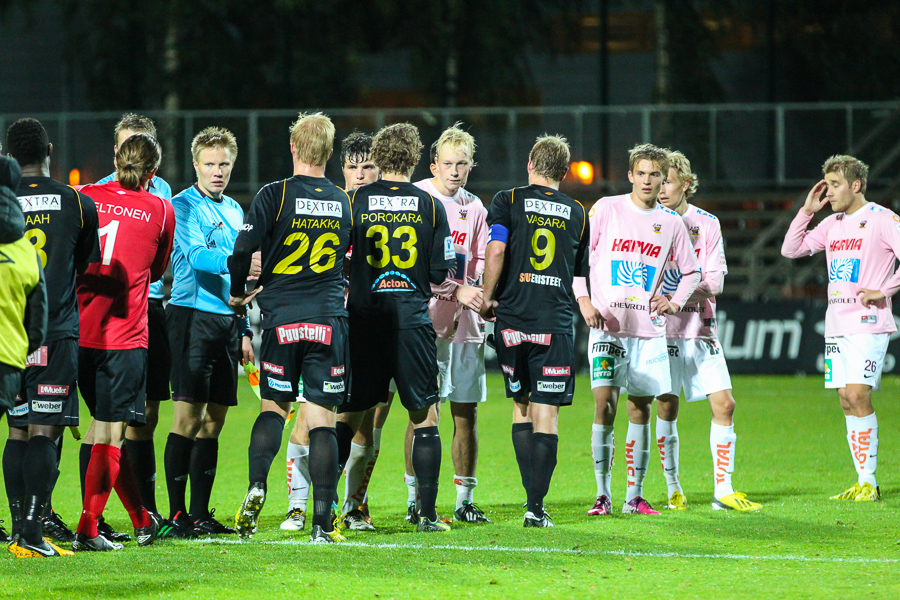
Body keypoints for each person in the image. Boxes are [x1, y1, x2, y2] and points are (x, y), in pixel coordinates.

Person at [231, 113, 352, 544]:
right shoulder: (342, 200)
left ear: (294, 149)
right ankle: (322, 522)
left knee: (273, 410)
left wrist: (237, 291)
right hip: (326, 319)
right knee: (321, 419)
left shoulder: (275, 194)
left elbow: (242, 248)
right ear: (329, 152)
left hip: (282, 320)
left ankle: (258, 484)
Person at [339, 122, 461, 533]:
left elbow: (335, 259)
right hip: (410, 322)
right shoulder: (430, 206)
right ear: (413, 158)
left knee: (349, 417)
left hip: (363, 321)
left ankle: (326, 515)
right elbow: (441, 272)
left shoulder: (353, 201)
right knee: (425, 416)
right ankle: (426, 515)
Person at [573, 143, 699, 517]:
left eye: (654, 174)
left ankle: (633, 496)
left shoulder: (672, 223)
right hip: (607, 327)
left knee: (640, 409)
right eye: (640, 173)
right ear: (630, 175)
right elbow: (580, 259)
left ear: (663, 179)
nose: (647, 180)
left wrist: (674, 302)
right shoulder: (606, 209)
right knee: (604, 403)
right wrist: (583, 301)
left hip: (648, 331)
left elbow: (692, 272)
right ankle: (602, 494)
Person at [479, 134, 590, 528]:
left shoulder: (507, 200)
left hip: (512, 319)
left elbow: (496, 250)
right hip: (554, 321)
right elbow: (579, 273)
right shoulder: (578, 211)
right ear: (563, 172)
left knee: (520, 405)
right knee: (547, 415)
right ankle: (534, 506)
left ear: (530, 162)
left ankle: (532, 502)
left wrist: (487, 297)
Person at [74, 133, 175, 551]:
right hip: (124, 338)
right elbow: (158, 268)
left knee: (102, 428)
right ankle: (88, 530)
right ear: (153, 171)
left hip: (79, 333)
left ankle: (141, 520)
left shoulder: (84, 195)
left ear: (115, 158)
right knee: (112, 436)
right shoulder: (161, 209)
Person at [4, 119, 100, 557]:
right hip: (55, 332)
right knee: (45, 429)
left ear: (9, 154)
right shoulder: (78, 203)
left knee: (18, 430)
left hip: (8, 335)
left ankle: (16, 528)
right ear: (49, 149)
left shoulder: (3, 203)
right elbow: (86, 268)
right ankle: (33, 530)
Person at [781, 155, 899, 502]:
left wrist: (885, 290)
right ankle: (861, 480)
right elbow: (792, 249)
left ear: (856, 185)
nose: (829, 192)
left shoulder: (881, 219)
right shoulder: (831, 223)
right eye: (827, 184)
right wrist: (807, 212)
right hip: (836, 326)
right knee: (847, 399)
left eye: (835, 185)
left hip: (868, 323)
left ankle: (869, 482)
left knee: (859, 394)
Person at [159, 127, 257, 538]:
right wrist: (240, 260)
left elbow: (244, 281)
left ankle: (200, 513)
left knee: (215, 420)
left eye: (224, 165)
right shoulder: (182, 206)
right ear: (196, 165)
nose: (217, 172)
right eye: (210, 164)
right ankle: (176, 514)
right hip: (191, 317)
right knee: (187, 417)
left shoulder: (236, 210)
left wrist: (246, 328)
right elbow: (198, 257)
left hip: (227, 322)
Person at [281, 131, 382, 532]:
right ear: (342, 170)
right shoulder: (333, 206)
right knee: (311, 415)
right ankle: (298, 505)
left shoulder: (383, 214)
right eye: (353, 167)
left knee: (367, 420)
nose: (359, 175)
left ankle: (354, 505)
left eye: (367, 166)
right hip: (325, 325)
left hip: (370, 328)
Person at [654, 150, 760, 511]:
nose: (661, 187)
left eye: (667, 180)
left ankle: (722, 490)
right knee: (667, 407)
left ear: (685, 183)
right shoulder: (647, 221)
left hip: (700, 328)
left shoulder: (706, 223)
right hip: (662, 331)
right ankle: (673, 489)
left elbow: (714, 282)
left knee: (725, 404)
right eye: (656, 180)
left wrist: (675, 295)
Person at [413, 124, 488, 523]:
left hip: (466, 324)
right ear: (433, 165)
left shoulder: (475, 207)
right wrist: (452, 291)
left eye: (462, 164)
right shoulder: (420, 197)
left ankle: (463, 502)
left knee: (466, 411)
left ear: (470, 166)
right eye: (447, 164)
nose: (454, 171)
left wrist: (478, 295)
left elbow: (479, 263)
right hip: (425, 322)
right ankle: (414, 499)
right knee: (422, 410)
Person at [0, 154, 51, 553]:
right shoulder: (24, 251)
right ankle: (29, 528)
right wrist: (23, 349)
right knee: (26, 431)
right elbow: (38, 321)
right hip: (10, 363)